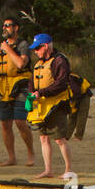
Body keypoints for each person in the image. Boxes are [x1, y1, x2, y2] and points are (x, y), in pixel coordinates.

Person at [26, 33, 79, 179]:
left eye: (37, 48)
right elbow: (31, 82)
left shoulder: (59, 61)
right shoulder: (37, 64)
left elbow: (61, 84)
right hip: (41, 107)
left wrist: (41, 92)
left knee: (60, 139)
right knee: (43, 138)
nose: (35, 52)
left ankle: (68, 169)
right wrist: (31, 94)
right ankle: (48, 170)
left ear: (45, 46)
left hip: (57, 106)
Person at [0, 18, 34, 166]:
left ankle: (30, 152)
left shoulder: (23, 45)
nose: (4, 28)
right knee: (5, 124)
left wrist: (8, 49)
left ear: (16, 28)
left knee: (20, 122)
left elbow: (20, 63)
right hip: (4, 88)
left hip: (21, 85)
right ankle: (11, 157)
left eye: (8, 26)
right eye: (3, 25)